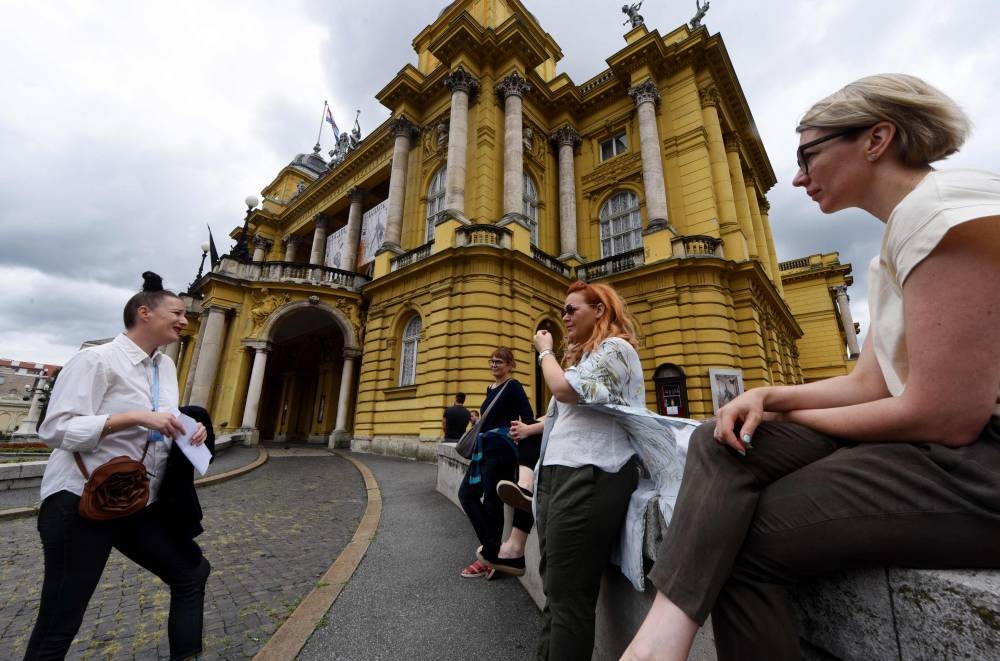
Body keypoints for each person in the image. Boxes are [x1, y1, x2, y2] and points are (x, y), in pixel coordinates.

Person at [622, 73, 1000, 661]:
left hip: (979, 464)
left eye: (808, 155)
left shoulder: (942, 210)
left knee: (738, 538)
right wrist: (768, 397)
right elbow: (866, 384)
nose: (797, 176)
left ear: (876, 139)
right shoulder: (894, 245)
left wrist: (787, 415)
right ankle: (656, 645)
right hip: (944, 453)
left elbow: (945, 415)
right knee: (720, 440)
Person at [25, 272, 212, 661]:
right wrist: (132, 417)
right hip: (78, 502)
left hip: (132, 502)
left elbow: (162, 423)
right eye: (177, 312)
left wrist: (191, 429)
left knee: (191, 573)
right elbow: (56, 429)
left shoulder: (164, 367)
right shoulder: (96, 359)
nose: (185, 320)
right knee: (60, 621)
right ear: (144, 313)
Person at [532, 280, 645, 660]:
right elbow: (560, 416)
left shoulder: (617, 349)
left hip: (590, 474)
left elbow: (565, 391)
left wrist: (545, 352)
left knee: (568, 598)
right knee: (557, 590)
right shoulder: (585, 359)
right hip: (560, 473)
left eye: (571, 308)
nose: (564, 316)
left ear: (599, 310)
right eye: (563, 310)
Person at [457, 348, 534, 579]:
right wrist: (478, 421)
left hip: (501, 450)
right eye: (491, 361)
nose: (493, 365)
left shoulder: (513, 386)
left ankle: (490, 556)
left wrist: (513, 433)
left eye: (498, 361)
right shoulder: (490, 388)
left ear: (511, 365)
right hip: (484, 449)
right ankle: (493, 551)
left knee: (492, 500)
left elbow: (527, 417)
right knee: (467, 495)